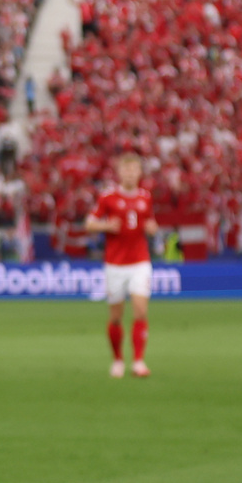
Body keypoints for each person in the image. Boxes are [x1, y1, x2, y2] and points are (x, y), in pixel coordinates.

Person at [86, 152, 156, 378]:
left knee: (140, 310)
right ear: (119, 173)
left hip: (140, 261)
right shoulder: (108, 197)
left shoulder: (146, 197)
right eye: (126, 169)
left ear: (139, 173)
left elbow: (150, 222)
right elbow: (89, 223)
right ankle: (117, 360)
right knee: (116, 316)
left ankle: (138, 361)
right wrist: (106, 226)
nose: (130, 173)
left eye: (134, 169)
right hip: (115, 263)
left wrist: (152, 228)